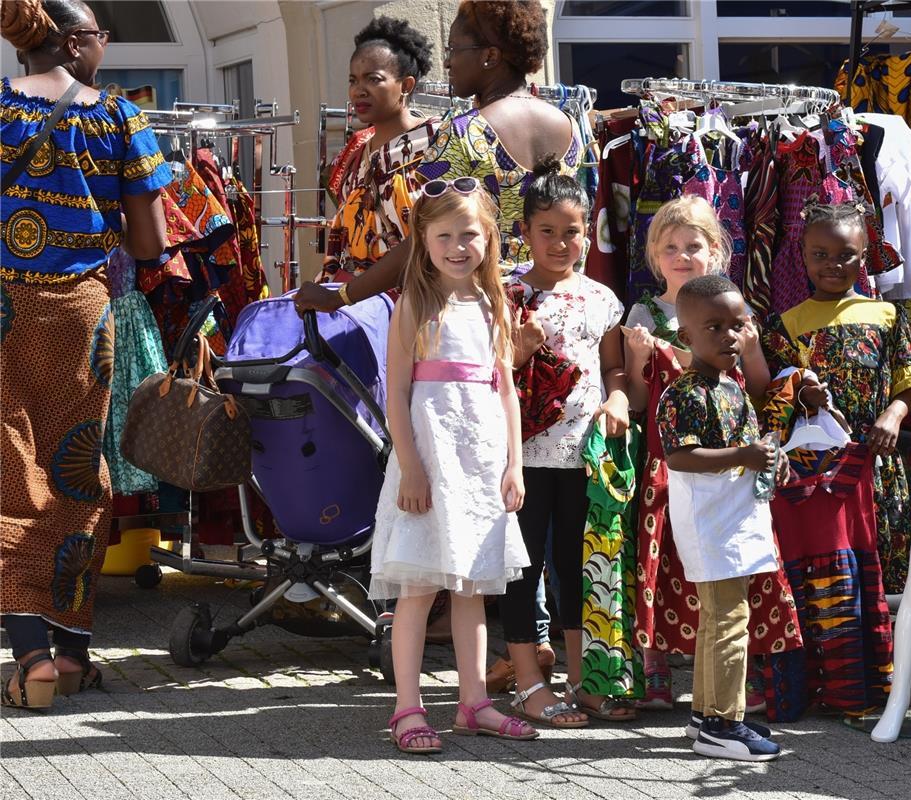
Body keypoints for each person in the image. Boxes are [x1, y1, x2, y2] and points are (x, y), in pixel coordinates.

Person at [1, 0, 170, 710]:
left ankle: (29, 653)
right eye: (100, 34)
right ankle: (71, 651)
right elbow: (150, 244)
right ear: (74, 43)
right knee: (77, 463)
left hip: (2, 308)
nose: (105, 45)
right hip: (80, 311)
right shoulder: (119, 118)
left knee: (12, 467)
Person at [369, 177, 536, 754]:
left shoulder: (494, 303)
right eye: (445, 236)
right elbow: (397, 398)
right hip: (431, 463)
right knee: (416, 587)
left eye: (470, 234)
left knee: (471, 586)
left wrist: (514, 465)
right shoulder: (416, 303)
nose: (459, 246)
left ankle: (473, 701)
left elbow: (507, 391)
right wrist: (411, 467)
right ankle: (407, 708)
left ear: (489, 237)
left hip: (480, 465)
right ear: (424, 239)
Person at [293, 0, 581, 313]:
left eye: (455, 49)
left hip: (484, 309)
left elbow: (420, 241)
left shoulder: (463, 132)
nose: (447, 63)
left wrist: (340, 297)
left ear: (490, 56)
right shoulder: (569, 125)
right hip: (557, 303)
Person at [624, 197, 773, 712]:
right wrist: (642, 357)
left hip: (730, 462)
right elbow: (643, 403)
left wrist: (751, 349)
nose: (682, 255)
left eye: (694, 246)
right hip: (672, 461)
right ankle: (656, 662)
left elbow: (756, 390)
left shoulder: (733, 311)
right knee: (661, 562)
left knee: (732, 570)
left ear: (716, 251)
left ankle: (731, 675)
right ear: (653, 257)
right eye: (670, 248)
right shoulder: (645, 314)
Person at [502, 161, 630, 728]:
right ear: (525, 232)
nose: (560, 242)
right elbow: (485, 375)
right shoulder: (505, 294)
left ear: (587, 232)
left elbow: (614, 369)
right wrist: (519, 351)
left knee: (579, 567)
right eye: (547, 231)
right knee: (522, 569)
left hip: (584, 455)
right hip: (521, 459)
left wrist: (620, 398)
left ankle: (584, 679)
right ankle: (529, 682)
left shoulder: (602, 298)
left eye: (572, 230)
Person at [658, 274, 787, 762]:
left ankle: (707, 715)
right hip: (712, 526)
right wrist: (744, 455)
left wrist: (772, 458)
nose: (729, 336)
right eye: (714, 326)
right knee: (729, 620)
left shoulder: (732, 388)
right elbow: (680, 457)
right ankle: (724, 725)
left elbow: (751, 449)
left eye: (737, 325)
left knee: (719, 620)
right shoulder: (685, 393)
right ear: (685, 335)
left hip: (734, 521)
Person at [762, 202, 911, 596]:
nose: (833, 264)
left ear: (863, 256)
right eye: (820, 255)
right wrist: (803, 393)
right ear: (802, 256)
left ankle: (887, 652)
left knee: (883, 567)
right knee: (830, 571)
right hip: (817, 467)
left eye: (845, 255)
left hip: (876, 460)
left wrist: (894, 415)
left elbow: (910, 380)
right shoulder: (787, 324)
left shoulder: (886, 315)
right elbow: (776, 395)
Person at [320, 17, 438, 282]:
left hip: (423, 296)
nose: (358, 91)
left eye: (373, 79)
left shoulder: (437, 143)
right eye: (353, 81)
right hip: (358, 304)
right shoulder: (352, 155)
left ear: (406, 86)